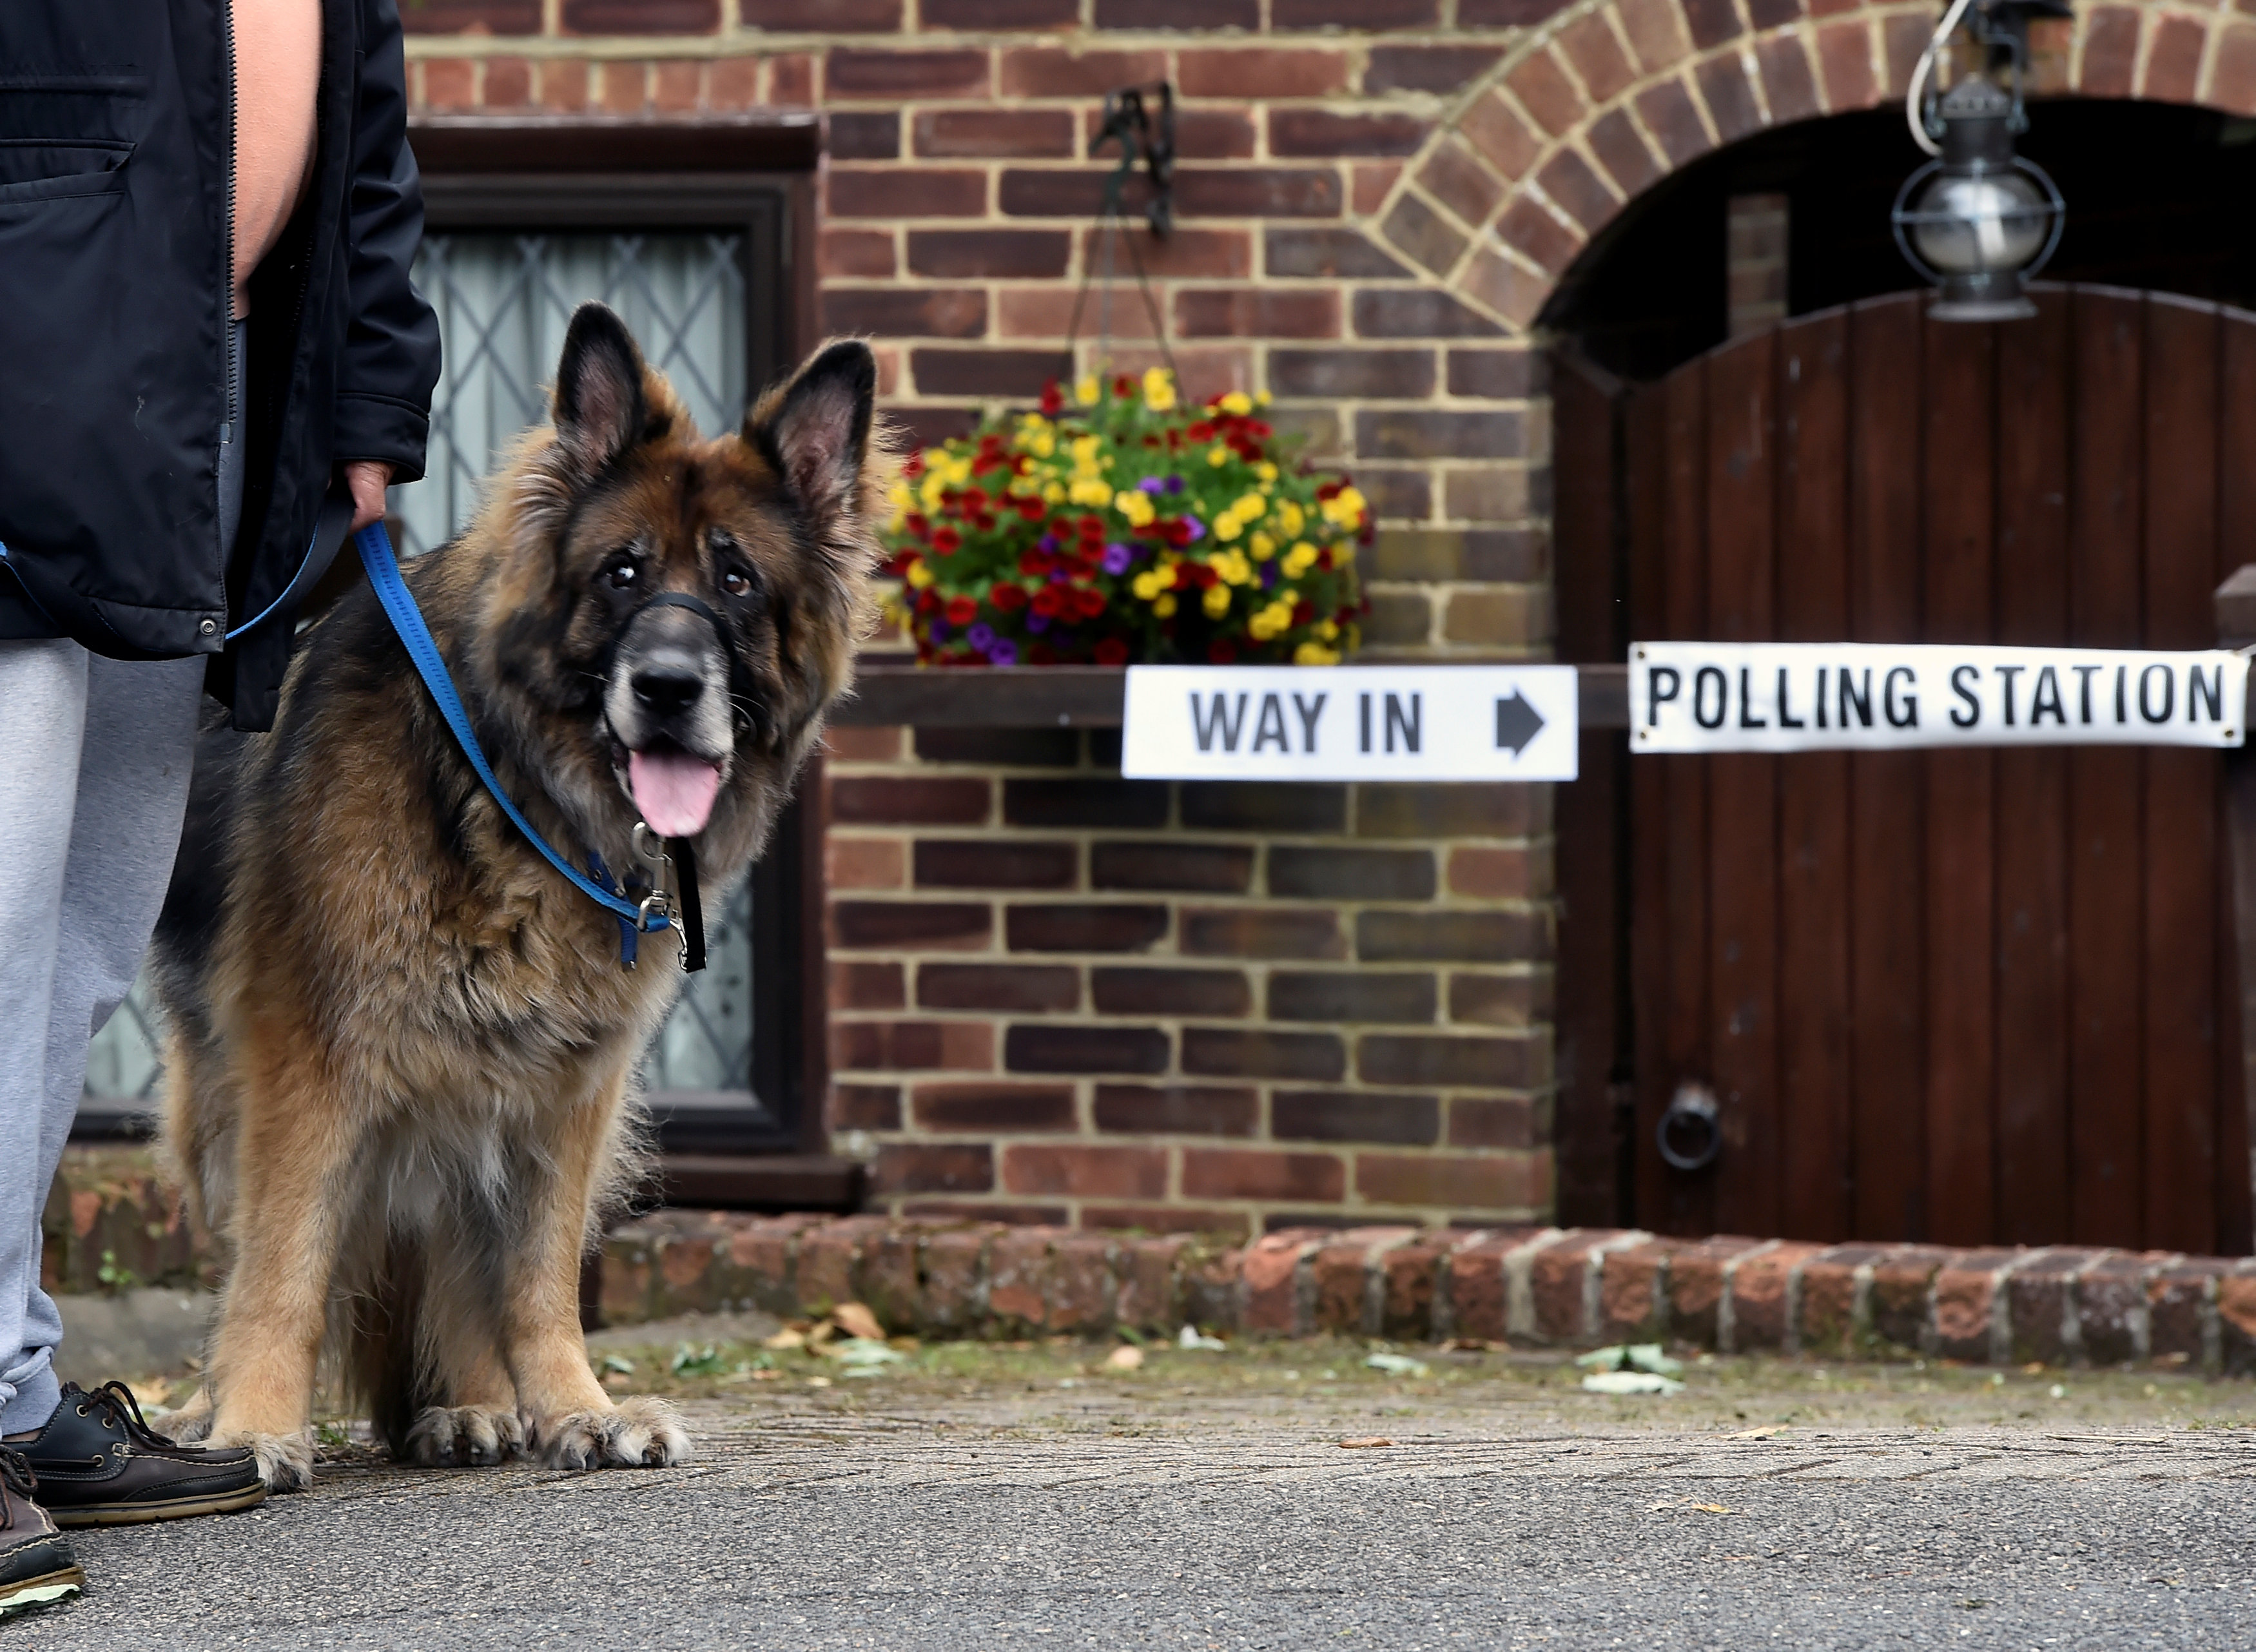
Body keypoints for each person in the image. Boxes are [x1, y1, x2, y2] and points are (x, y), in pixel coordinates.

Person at [0, 0, 440, 1618]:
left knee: (81, 932)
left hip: (206, 403)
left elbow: (361, 141)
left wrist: (371, 406)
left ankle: (7, 1388)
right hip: (37, 363)